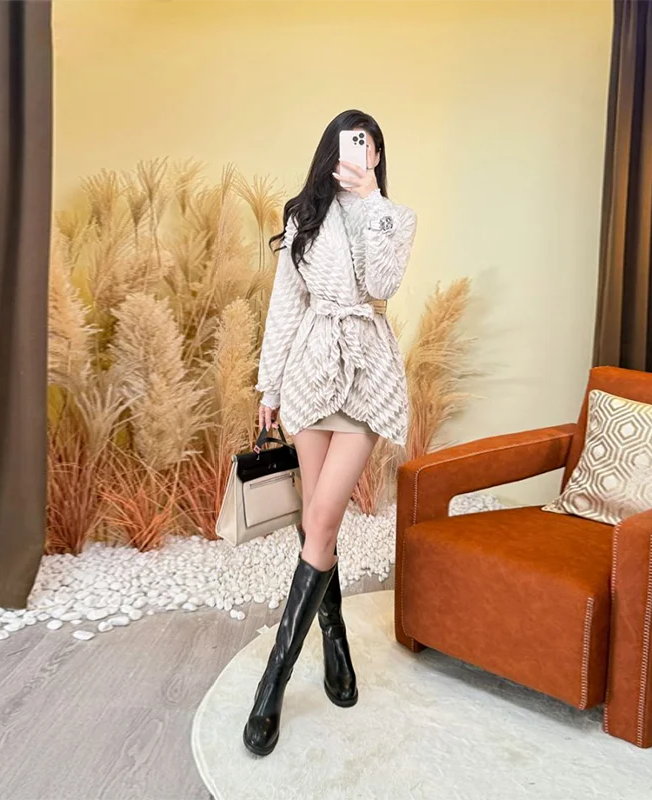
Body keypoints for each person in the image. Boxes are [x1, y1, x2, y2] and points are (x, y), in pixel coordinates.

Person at [242, 108, 418, 756]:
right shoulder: (304, 216)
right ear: (331, 150)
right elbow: (285, 305)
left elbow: (382, 284)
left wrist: (372, 202)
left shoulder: (394, 217)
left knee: (321, 518)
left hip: (367, 372)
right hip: (310, 371)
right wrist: (268, 388)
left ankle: (272, 685)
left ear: (377, 154)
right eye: (349, 141)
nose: (358, 151)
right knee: (316, 526)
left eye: (367, 143)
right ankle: (335, 642)